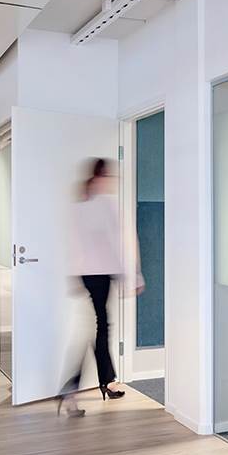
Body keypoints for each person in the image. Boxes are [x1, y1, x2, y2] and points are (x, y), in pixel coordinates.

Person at [57, 158, 143, 416]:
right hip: (102, 274)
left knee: (100, 327)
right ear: (101, 177)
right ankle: (72, 388)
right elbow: (123, 242)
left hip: (88, 274)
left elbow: (75, 243)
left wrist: (75, 275)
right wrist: (134, 275)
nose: (112, 182)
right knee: (99, 329)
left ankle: (106, 381)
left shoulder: (80, 205)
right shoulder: (107, 204)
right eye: (110, 177)